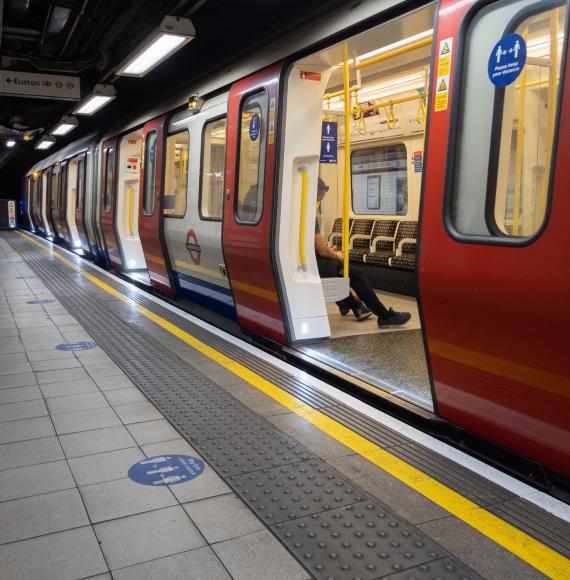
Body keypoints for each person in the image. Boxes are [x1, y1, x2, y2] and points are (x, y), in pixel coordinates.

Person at [315, 177, 411, 327]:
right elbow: (320, 249)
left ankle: (352, 304)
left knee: (348, 272)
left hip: (311, 261)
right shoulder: (308, 215)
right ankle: (381, 315)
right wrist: (336, 255)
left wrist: (328, 250)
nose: (318, 203)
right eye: (319, 199)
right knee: (352, 273)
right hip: (317, 264)